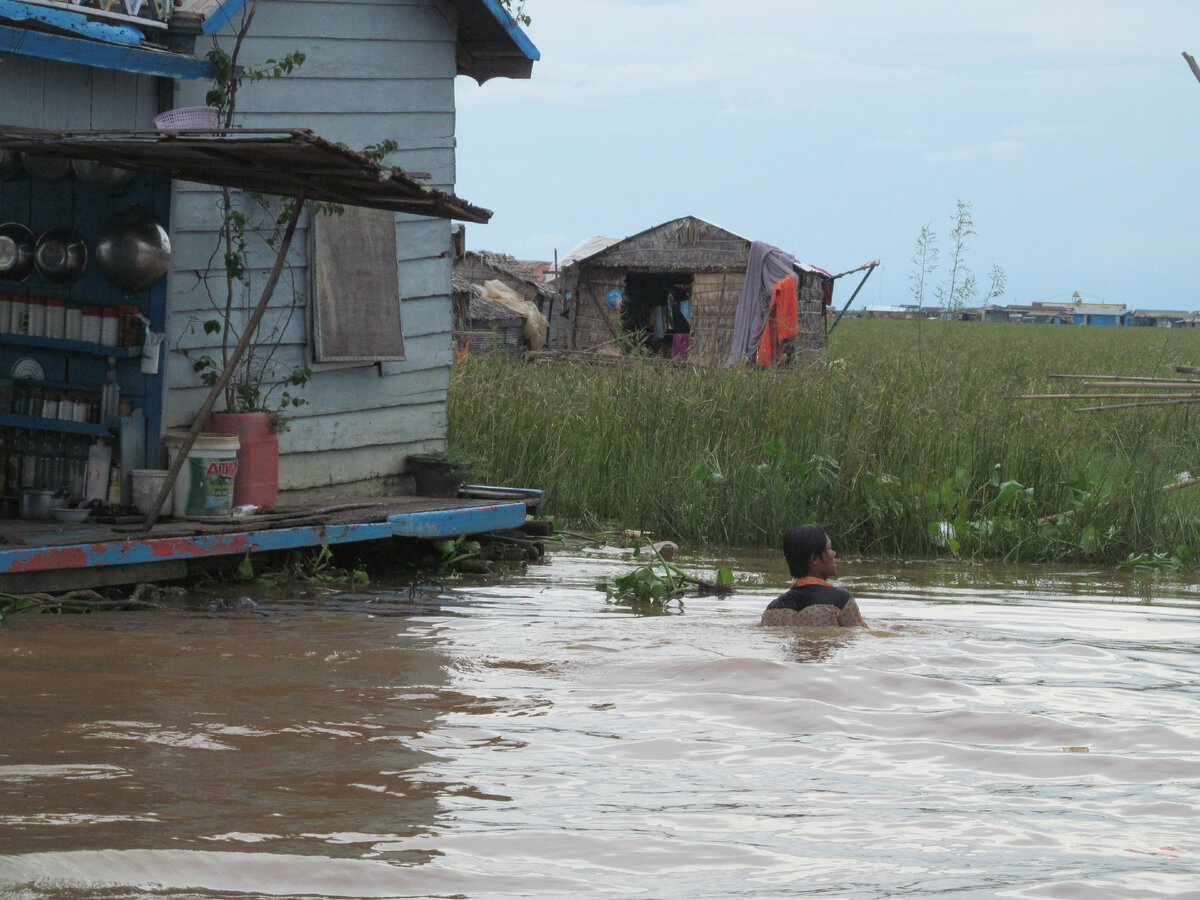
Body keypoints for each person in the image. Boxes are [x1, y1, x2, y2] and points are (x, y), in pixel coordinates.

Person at [760, 525, 867, 628]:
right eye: (829, 548)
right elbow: (860, 635)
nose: (834, 553)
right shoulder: (841, 600)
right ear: (814, 559)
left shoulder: (772, 609)